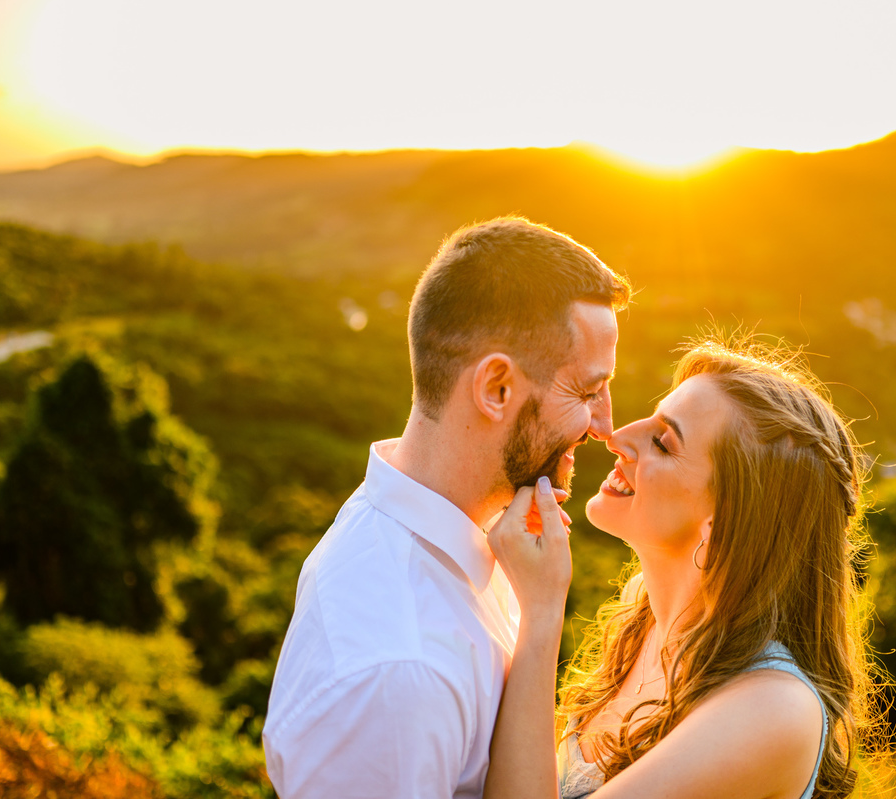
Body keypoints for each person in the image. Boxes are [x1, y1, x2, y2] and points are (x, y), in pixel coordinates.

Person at [262, 217, 630, 799]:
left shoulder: (474, 537)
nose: (605, 426)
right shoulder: (395, 673)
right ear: (497, 389)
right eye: (585, 393)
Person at [485, 340, 886, 799]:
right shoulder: (643, 617)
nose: (616, 437)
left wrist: (541, 613)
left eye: (662, 442)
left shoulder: (774, 708)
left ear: (720, 525)